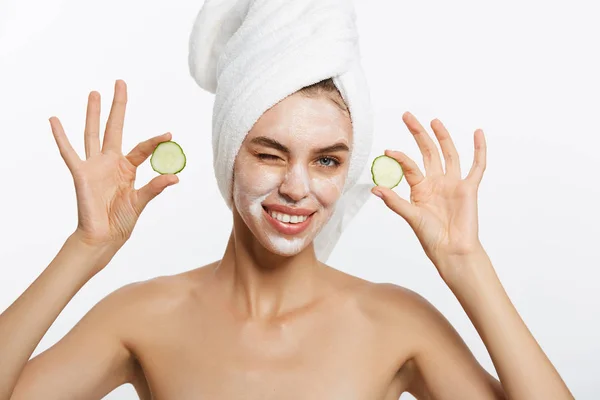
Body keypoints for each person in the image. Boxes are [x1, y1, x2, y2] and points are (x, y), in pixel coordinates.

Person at [1, 1, 574, 400]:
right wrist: (85, 248)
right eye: (270, 154)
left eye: (327, 160)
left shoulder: (395, 324)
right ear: (229, 155)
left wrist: (468, 266)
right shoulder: (143, 317)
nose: (298, 188)